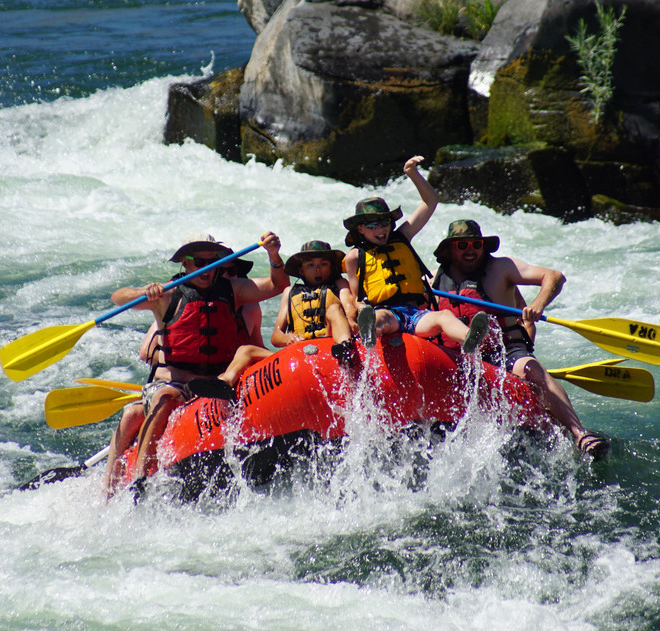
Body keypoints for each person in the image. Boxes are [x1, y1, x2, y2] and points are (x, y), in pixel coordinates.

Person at [102, 232, 289, 495]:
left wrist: (273, 254)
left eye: (212, 261)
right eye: (199, 262)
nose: (207, 268)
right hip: (174, 384)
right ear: (185, 263)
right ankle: (140, 480)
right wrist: (143, 291)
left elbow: (277, 285)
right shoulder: (167, 294)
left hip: (216, 383)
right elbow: (118, 297)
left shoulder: (233, 290)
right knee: (166, 397)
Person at [430, 219, 609, 458]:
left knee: (533, 370)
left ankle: (579, 433)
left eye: (475, 244)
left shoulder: (502, 268)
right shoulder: (432, 280)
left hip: (503, 351)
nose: (470, 249)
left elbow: (554, 276)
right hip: (458, 356)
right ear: (450, 249)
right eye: (462, 245)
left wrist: (538, 304)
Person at [341, 156, 488, 353]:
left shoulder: (402, 237)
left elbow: (430, 202)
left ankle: (469, 338)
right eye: (372, 225)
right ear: (360, 229)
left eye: (384, 223)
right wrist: (360, 311)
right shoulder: (353, 258)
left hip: (416, 314)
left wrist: (413, 174)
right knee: (380, 319)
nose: (381, 229)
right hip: (387, 313)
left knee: (444, 316)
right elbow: (357, 297)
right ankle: (369, 333)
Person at [218, 240, 357, 386]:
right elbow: (276, 337)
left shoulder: (339, 283)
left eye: (323, 264)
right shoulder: (289, 292)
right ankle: (225, 381)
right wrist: (287, 338)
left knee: (334, 309)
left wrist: (352, 316)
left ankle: (345, 349)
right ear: (301, 270)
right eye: (310, 265)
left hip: (328, 346)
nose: (317, 270)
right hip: (298, 353)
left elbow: (348, 305)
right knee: (245, 350)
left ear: (331, 267)